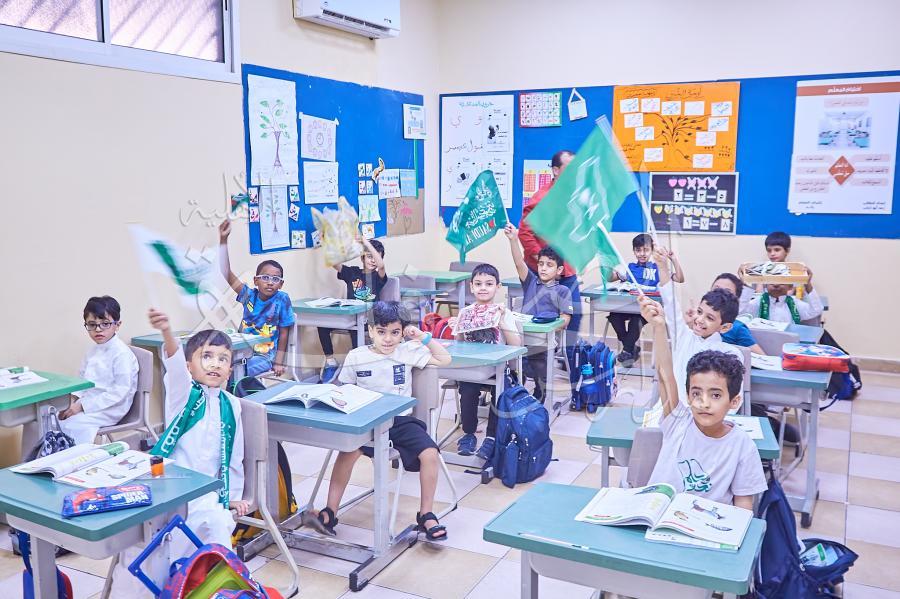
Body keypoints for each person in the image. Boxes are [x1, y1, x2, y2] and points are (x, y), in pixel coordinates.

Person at [110, 308, 250, 596]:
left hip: (208, 495)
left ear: (230, 369)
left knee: (217, 522)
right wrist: (166, 332)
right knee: (154, 545)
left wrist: (233, 495)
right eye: (206, 356)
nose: (215, 364)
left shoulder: (232, 404)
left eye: (223, 359)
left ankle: (217, 588)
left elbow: (235, 457)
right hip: (171, 491)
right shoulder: (183, 395)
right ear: (189, 365)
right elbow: (174, 366)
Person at [316, 301, 452, 541]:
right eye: (381, 332)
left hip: (400, 421)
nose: (388, 339)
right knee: (347, 452)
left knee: (430, 454)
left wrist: (422, 336)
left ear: (403, 333)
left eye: (395, 332)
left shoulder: (407, 351)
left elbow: (444, 359)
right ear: (370, 331)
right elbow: (345, 389)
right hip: (367, 422)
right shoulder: (357, 356)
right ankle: (330, 511)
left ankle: (426, 514)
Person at [640, 295, 767, 509]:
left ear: (734, 401)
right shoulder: (677, 422)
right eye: (696, 393)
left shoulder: (743, 446)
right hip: (659, 516)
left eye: (715, 395)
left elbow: (744, 508)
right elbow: (665, 377)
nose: (704, 403)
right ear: (688, 396)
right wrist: (659, 328)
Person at [518, 150, 582, 390]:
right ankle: (535, 371)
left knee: (574, 317)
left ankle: (575, 377)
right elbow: (525, 233)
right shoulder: (541, 198)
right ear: (556, 170)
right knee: (541, 321)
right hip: (545, 272)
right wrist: (544, 262)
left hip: (568, 270)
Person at [447, 263, 522, 458]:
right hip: (474, 368)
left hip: (499, 369)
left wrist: (502, 322)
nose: (483, 288)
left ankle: (491, 437)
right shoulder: (466, 312)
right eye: (478, 284)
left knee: (499, 393)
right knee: (467, 389)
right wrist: (458, 327)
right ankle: (468, 433)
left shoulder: (504, 313)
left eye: (489, 284)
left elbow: (516, 346)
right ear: (471, 287)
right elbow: (459, 344)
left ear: (497, 287)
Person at [656, 247, 743, 405]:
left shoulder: (731, 354)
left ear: (725, 327)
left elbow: (732, 400)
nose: (699, 320)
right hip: (673, 411)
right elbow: (670, 302)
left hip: (707, 415)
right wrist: (662, 266)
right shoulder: (684, 336)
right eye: (700, 312)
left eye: (709, 318)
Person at [506, 223, 573, 402]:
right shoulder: (531, 282)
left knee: (537, 362)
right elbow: (519, 263)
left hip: (544, 340)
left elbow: (565, 319)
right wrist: (513, 240)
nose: (543, 268)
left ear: (559, 270)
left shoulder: (563, 291)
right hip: (522, 337)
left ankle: (540, 393)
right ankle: (514, 393)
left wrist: (549, 326)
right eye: (541, 264)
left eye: (549, 265)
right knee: (513, 362)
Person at [58, 296, 139, 444]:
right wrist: (72, 402)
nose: (98, 329)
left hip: (111, 408)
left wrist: (82, 406)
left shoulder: (121, 353)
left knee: (70, 425)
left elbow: (120, 391)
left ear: (117, 325)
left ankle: (80, 457)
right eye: (92, 324)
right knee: (53, 419)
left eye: (105, 324)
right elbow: (81, 381)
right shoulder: (92, 351)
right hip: (88, 401)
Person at [219, 221, 294, 378]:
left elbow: (284, 333)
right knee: (218, 364)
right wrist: (223, 240)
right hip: (240, 351)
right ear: (256, 280)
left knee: (235, 371)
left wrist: (279, 362)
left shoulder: (282, 300)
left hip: (264, 356)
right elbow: (225, 272)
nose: (270, 282)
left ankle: (237, 393)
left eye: (275, 279)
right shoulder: (248, 296)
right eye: (265, 277)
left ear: (281, 284)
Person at [607, 234, 684, 367]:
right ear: (634, 251)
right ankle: (631, 348)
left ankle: (627, 350)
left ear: (651, 251)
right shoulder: (630, 268)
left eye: (646, 250)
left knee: (636, 321)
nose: (642, 254)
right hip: (629, 306)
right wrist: (608, 263)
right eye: (638, 250)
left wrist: (674, 259)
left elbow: (680, 278)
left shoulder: (657, 269)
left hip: (647, 309)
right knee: (614, 316)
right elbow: (610, 278)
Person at [318, 235, 388, 382]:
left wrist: (365, 243)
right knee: (322, 324)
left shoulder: (378, 277)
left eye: (375, 257)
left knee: (357, 342)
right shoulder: (352, 273)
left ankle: (360, 372)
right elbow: (334, 262)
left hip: (368, 320)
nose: (373, 260)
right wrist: (326, 243)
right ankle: (330, 361)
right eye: (369, 256)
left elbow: (381, 265)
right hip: (349, 317)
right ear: (362, 257)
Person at [709, 273, 764, 355]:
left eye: (726, 292)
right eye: (716, 290)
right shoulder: (695, 320)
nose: (719, 295)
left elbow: (762, 357)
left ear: (736, 299)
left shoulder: (737, 328)